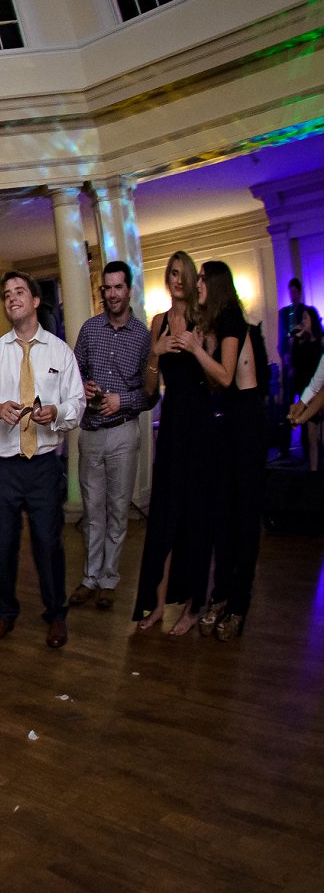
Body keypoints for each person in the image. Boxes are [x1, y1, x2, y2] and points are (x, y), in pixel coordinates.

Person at [0, 271, 84, 649]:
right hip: (2, 466)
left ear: (35, 301)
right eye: (6, 295)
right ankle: (4, 615)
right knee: (1, 544)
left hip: (44, 463)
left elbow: (77, 404)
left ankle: (56, 615)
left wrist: (56, 411)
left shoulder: (59, 352)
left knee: (48, 543)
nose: (11, 298)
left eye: (19, 292)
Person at [131, 252, 214, 633]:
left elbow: (218, 382)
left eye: (183, 274)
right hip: (172, 425)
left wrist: (197, 349)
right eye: (171, 274)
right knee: (163, 518)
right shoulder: (159, 323)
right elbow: (150, 392)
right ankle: (158, 604)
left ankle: (194, 604)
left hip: (200, 427)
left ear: (193, 279)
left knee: (196, 517)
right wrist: (155, 352)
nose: (177, 280)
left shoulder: (204, 320)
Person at [191, 261, 267, 640]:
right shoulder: (216, 324)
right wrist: (202, 342)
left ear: (215, 284)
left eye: (202, 279)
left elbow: (224, 375)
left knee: (244, 516)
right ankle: (220, 596)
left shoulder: (232, 318)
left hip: (246, 424)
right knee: (223, 515)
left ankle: (239, 604)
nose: (197, 284)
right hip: (225, 424)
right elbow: (214, 383)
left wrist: (195, 348)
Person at [69, 261, 151, 613]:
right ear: (102, 291)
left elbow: (151, 394)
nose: (113, 294)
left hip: (122, 432)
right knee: (93, 510)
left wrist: (123, 399)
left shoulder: (144, 336)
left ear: (128, 291)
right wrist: (83, 388)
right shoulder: (89, 330)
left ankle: (109, 579)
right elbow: (72, 375)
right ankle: (90, 577)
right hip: (90, 433)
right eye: (107, 288)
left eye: (118, 287)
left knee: (118, 509)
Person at [280, 278, 322, 468]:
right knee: (311, 436)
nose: (303, 321)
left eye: (306, 318)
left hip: (318, 391)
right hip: (307, 386)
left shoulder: (322, 342)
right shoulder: (298, 338)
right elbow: (314, 383)